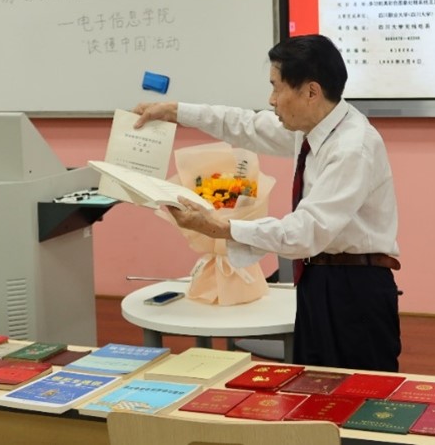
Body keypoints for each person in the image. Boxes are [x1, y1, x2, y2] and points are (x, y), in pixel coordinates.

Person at [133, 34, 401, 372]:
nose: (271, 100)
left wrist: (221, 227)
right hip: (318, 278)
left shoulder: (352, 147)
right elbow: (243, 125)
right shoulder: (313, 127)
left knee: (359, 393)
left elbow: (305, 231)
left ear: (311, 92)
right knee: (312, 387)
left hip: (353, 288)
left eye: (276, 87)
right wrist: (174, 111)